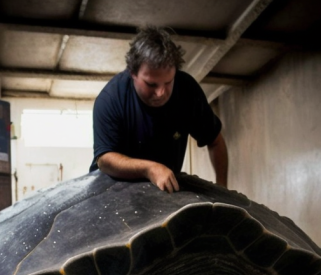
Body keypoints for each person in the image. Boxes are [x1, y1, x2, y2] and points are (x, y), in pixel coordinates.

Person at [90, 26, 228, 193]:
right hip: (111, 191)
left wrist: (222, 189)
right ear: (133, 73)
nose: (161, 93)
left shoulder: (187, 91)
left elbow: (215, 141)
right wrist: (150, 169)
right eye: (151, 84)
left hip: (163, 191)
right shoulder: (111, 98)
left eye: (168, 82)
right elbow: (105, 159)